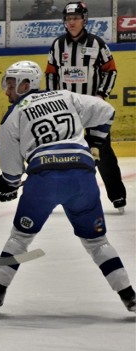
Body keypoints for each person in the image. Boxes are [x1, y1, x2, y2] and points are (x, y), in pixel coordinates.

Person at [0, 60, 135, 317]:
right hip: (82, 176)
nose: (7, 91)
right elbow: (106, 110)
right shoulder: (65, 96)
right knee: (97, 241)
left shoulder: (12, 117)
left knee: (20, 237)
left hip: (43, 180)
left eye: (11, 85)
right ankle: (130, 297)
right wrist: (96, 143)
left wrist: (6, 187)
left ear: (26, 84)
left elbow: (12, 175)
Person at [45, 1, 127, 214]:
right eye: (68, 19)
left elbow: (111, 70)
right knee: (62, 153)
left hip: (93, 110)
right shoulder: (57, 45)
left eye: (75, 18)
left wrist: (101, 95)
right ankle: (58, 196)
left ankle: (117, 196)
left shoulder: (97, 43)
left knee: (102, 153)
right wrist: (54, 101)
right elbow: (51, 74)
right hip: (66, 111)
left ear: (84, 20)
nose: (71, 23)